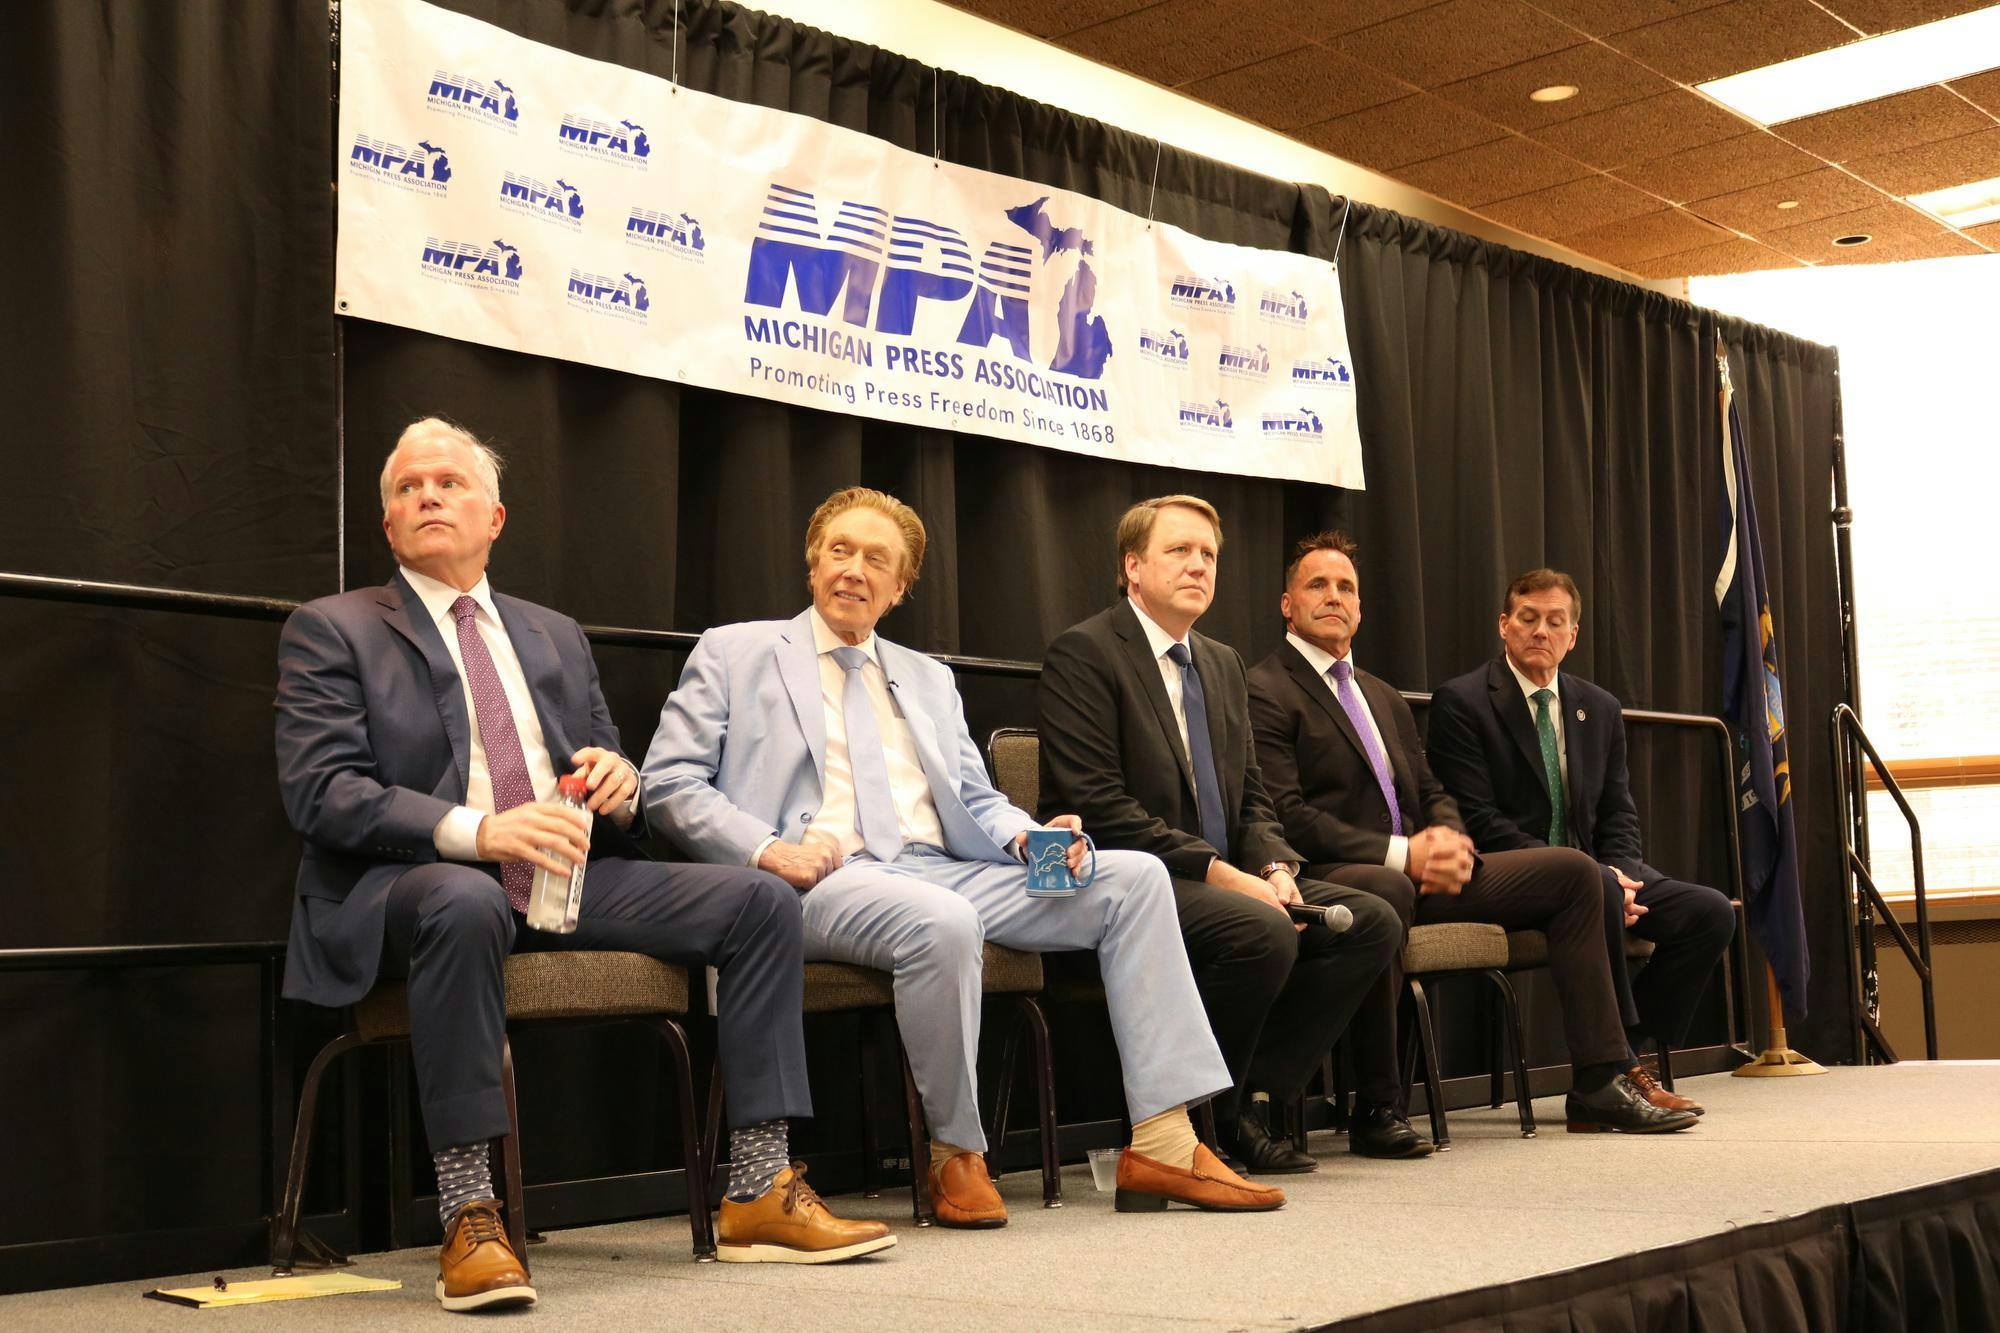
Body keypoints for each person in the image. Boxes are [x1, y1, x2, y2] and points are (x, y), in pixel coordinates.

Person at [275, 420, 890, 1312]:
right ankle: (470, 1209)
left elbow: (607, 762)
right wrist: (479, 832)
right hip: (410, 884)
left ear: (496, 516)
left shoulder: (554, 633)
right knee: (464, 900)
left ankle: (759, 1186)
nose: (427, 496)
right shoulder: (332, 629)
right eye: (408, 488)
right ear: (387, 527)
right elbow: (322, 792)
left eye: (448, 483)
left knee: (759, 899)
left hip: (566, 876)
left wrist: (623, 780)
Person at [643, 487, 1271, 1220]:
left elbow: (974, 794)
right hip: (816, 875)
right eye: (840, 550)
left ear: (900, 586)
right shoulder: (736, 649)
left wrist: (1029, 837)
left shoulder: (928, 676)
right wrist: (765, 847)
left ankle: (1163, 1138)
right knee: (940, 920)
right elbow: (668, 782)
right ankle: (955, 1153)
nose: (854, 569)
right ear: (813, 563)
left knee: (1133, 877)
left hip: (944, 865)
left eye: (876, 558)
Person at [1245, 532, 1697, 1137]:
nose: (1334, 597)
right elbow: (1287, 814)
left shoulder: (1380, 695)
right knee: (1387, 890)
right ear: (1286, 603)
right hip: (1335, 872)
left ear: (1360, 606)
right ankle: (1378, 1105)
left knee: (1576, 872)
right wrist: (1405, 854)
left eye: (1346, 586)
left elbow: (1433, 793)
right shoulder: (1264, 688)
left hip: (1427, 871)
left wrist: (1453, 845)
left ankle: (1598, 1079)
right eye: (1317, 585)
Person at [1038, 496, 1403, 1174]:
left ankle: (1251, 1097)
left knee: (1370, 922)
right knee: (1258, 930)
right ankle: (1212, 1119)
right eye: (1180, 550)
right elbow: (1098, 803)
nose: (1199, 565)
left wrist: (1273, 866)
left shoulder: (1223, 663)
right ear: (1133, 566)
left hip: (1220, 880)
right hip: (1118, 879)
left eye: (1209, 554)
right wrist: (1225, 874)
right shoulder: (1085, 652)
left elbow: (1252, 795)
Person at [1426, 568, 1736, 1109]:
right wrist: (1593, 878)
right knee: (1587, 880)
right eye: (1527, 619)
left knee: (1709, 913)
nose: (1539, 632)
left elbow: (1619, 812)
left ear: (1574, 635)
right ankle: (1614, 1073)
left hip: (1598, 872)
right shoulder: (1463, 702)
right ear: (1504, 625)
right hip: (1512, 876)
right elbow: (1477, 818)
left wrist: (1621, 877)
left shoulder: (1601, 708)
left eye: (1555, 622)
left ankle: (1626, 1054)